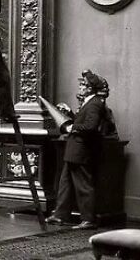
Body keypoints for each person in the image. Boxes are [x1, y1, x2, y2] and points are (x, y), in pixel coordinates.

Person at [46, 70, 107, 230]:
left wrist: (72, 127)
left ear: (89, 88)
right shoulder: (89, 102)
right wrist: (70, 115)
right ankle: (60, 215)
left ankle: (88, 219)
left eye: (83, 85)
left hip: (81, 151)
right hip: (75, 150)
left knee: (83, 186)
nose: (80, 87)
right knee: (65, 184)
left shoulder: (94, 103)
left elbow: (90, 127)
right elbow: (85, 123)